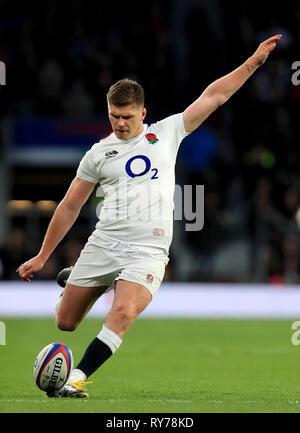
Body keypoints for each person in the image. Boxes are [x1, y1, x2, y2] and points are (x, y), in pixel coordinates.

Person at [17, 34, 282, 398]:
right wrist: (43, 256)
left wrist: (252, 63)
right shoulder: (98, 154)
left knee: (123, 313)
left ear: (143, 113)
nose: (120, 124)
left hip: (147, 250)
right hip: (105, 243)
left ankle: (76, 378)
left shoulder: (167, 132)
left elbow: (215, 96)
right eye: (114, 116)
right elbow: (69, 205)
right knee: (65, 323)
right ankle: (81, 280)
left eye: (127, 117)